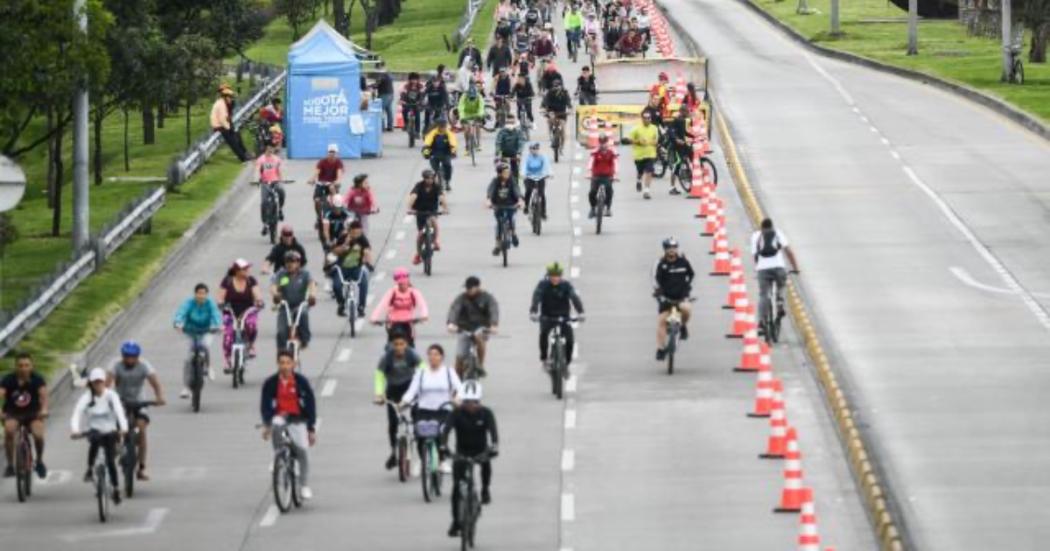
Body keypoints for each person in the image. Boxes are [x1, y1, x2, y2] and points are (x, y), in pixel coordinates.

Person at [442, 380, 499, 537]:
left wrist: (494, 446)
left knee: (486, 463)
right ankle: (455, 521)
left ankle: (485, 489)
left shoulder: (487, 413)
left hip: (480, 452)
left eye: (474, 402)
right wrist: (444, 447)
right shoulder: (456, 413)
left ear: (479, 400)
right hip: (461, 453)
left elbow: (493, 433)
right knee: (456, 489)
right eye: (467, 401)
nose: (471, 405)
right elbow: (446, 430)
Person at [260, 350, 318, 501]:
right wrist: (267, 425)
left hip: (298, 419)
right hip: (280, 417)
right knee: (276, 423)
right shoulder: (270, 383)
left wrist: (311, 429)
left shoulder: (302, 382)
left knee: (303, 452)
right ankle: (278, 456)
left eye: (288, 363)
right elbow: (265, 406)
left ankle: (304, 485)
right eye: (282, 363)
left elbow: (311, 405)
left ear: (294, 364)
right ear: (278, 364)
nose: (285, 366)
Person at [399, 344, 462, 476]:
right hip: (423, 410)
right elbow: (412, 391)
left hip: (444, 410)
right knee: (420, 435)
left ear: (441, 357)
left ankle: (442, 461)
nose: (433, 357)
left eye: (436, 354)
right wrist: (404, 401)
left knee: (440, 434)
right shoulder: (421, 373)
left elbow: (460, 389)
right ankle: (423, 461)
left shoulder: (448, 372)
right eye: (430, 354)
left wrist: (457, 399)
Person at [106, 342, 166, 480]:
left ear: (138, 357)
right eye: (127, 357)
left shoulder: (144, 365)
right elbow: (106, 384)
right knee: (114, 429)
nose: (130, 360)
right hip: (120, 401)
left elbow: (155, 383)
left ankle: (141, 468)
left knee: (141, 430)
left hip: (139, 401)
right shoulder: (115, 365)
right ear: (122, 356)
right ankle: (116, 447)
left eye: (133, 357)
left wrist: (159, 397)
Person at [70, 368, 127, 503]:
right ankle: (90, 469)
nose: (98, 385)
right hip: (94, 430)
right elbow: (77, 413)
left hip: (110, 431)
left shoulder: (111, 396)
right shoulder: (86, 397)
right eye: (95, 383)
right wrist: (75, 430)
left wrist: (123, 428)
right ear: (91, 383)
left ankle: (116, 488)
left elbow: (119, 412)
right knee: (94, 441)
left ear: (104, 382)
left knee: (110, 460)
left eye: (100, 382)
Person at [373, 331, 423, 469]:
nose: (399, 347)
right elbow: (379, 375)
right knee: (393, 423)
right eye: (396, 344)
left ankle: (421, 448)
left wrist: (422, 387)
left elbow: (422, 369)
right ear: (391, 345)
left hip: (409, 387)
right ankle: (394, 452)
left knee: (417, 418)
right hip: (393, 390)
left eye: (402, 344)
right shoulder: (386, 358)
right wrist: (379, 394)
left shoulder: (411, 354)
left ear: (406, 344)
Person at [1, 352, 48, 479]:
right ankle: (10, 465)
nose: (23, 368)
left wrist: (44, 410)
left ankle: (39, 461)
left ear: (32, 366)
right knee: (9, 431)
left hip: (33, 414)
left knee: (38, 435)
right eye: (20, 365)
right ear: (16, 367)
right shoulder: (8, 379)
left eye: (26, 365)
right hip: (13, 413)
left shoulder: (37, 379)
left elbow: (43, 396)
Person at [529, 263, 585, 370]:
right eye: (552, 275)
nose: (555, 278)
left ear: (561, 276)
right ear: (548, 275)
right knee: (543, 334)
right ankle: (544, 359)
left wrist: (580, 312)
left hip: (563, 316)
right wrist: (533, 312)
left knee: (570, 339)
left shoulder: (566, 285)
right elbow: (536, 297)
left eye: (557, 275)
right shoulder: (543, 285)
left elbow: (574, 298)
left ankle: (567, 360)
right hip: (547, 316)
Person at [173, 283, 222, 398]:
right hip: (190, 331)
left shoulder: (210, 304)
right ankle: (186, 388)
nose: (201, 296)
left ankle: (208, 367)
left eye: (204, 293)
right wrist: (178, 323)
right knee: (189, 358)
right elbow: (181, 313)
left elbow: (216, 315)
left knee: (204, 346)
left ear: (207, 294)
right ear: (195, 294)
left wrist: (218, 325)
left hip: (207, 331)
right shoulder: (189, 303)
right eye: (199, 293)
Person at [751, 218, 799, 329]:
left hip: (762, 270)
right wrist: (795, 268)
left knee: (763, 295)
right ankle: (780, 303)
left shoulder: (756, 236)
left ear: (761, 227)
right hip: (779, 267)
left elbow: (755, 255)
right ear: (772, 226)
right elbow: (788, 251)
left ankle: (762, 320)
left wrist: (758, 268)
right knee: (781, 286)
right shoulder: (778, 233)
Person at [447, 276, 500, 377]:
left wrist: (494, 324)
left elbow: (494, 310)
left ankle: (480, 365)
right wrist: (451, 323)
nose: (468, 290)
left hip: (482, 327)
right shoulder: (461, 298)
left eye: (470, 288)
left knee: (478, 337)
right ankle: (457, 384)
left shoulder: (487, 298)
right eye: (467, 288)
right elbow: (454, 309)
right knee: (459, 357)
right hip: (464, 328)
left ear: (478, 287)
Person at [217, 259, 264, 370]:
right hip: (230, 312)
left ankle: (250, 345)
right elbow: (220, 296)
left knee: (251, 325)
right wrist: (220, 303)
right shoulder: (227, 281)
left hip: (248, 311)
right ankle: (228, 361)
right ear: (237, 270)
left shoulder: (251, 281)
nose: (247, 270)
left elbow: (257, 294)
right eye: (244, 269)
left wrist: (259, 301)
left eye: (247, 268)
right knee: (228, 336)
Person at [652, 238, 695, 359]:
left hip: (682, 297)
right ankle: (660, 349)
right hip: (666, 298)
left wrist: (688, 290)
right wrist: (658, 293)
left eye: (675, 247)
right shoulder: (660, 263)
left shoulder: (684, 261)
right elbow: (654, 279)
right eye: (669, 248)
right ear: (665, 250)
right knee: (661, 322)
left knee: (686, 309)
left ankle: (682, 326)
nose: (672, 250)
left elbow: (692, 275)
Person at [271, 251, 317, 350]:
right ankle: (282, 352)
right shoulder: (281, 274)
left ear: (298, 263)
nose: (290, 264)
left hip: (300, 305)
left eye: (293, 261)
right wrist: (275, 295)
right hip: (285, 306)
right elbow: (274, 286)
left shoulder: (305, 274)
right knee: (281, 331)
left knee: (303, 315)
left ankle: (305, 339)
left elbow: (312, 284)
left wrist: (312, 295)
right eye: (287, 261)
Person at [371, 268, 430, 345]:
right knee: (389, 346)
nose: (402, 286)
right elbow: (382, 304)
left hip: (408, 321)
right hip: (394, 321)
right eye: (400, 284)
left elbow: (422, 304)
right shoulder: (392, 292)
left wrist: (424, 315)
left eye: (404, 283)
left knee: (411, 345)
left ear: (408, 282)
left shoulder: (413, 292)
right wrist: (374, 318)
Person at [328, 220, 372, 318]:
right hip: (342, 268)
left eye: (359, 232)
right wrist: (345, 245)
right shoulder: (343, 237)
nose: (356, 235)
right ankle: (341, 304)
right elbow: (335, 251)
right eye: (354, 233)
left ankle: (361, 306)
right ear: (350, 231)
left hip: (356, 267)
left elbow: (367, 250)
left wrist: (367, 261)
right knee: (337, 286)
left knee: (364, 283)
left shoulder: (362, 239)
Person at [408, 169, 450, 265]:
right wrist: (409, 208)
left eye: (432, 178)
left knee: (433, 220)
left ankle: (435, 241)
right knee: (420, 236)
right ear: (424, 179)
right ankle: (418, 255)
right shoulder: (419, 186)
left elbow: (441, 197)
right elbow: (413, 196)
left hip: (432, 211)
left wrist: (445, 208)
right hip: (420, 212)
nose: (430, 180)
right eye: (428, 179)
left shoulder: (436, 186)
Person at [486, 163, 524, 255]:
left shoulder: (511, 180)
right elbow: (490, 190)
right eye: (505, 172)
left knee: (511, 220)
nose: (507, 173)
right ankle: (498, 245)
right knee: (498, 224)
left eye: (508, 172)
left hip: (511, 204)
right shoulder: (495, 181)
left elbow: (516, 189)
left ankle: (513, 234)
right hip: (498, 205)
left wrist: (520, 200)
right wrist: (488, 200)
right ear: (499, 174)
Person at [209, 84, 250, 162]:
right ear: (225, 97)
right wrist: (229, 128)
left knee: (237, 135)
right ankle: (243, 158)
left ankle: (245, 153)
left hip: (224, 124)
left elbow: (227, 116)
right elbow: (222, 119)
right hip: (219, 126)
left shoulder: (223, 103)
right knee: (233, 141)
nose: (231, 99)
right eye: (229, 97)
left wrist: (230, 128)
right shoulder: (221, 104)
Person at [628, 110, 660, 199]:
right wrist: (638, 141)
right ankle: (638, 180)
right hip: (639, 155)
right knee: (640, 172)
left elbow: (656, 140)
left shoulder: (654, 128)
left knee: (649, 171)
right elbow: (629, 139)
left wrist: (654, 143)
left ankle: (646, 191)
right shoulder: (636, 129)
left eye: (649, 118)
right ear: (642, 119)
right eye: (645, 118)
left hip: (650, 154)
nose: (647, 120)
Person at [665, 105, 696, 195]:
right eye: (686, 112)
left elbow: (685, 132)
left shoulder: (683, 121)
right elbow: (671, 132)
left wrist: (694, 136)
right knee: (677, 165)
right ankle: (672, 187)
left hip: (683, 144)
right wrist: (676, 139)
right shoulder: (676, 120)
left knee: (692, 155)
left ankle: (690, 173)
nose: (688, 113)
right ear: (682, 112)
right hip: (675, 146)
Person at [255, 147, 285, 235]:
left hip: (275, 182)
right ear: (265, 150)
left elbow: (280, 170)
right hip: (265, 183)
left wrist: (281, 180)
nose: (270, 152)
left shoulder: (276, 159)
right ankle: (265, 224)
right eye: (268, 150)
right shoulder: (261, 159)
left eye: (272, 150)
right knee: (264, 202)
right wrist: (256, 179)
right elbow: (257, 170)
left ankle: (280, 209)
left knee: (282, 192)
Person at [311, 144, 345, 222]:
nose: (332, 154)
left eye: (334, 152)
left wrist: (338, 181)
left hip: (332, 183)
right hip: (321, 183)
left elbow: (339, 173)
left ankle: (334, 209)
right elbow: (317, 172)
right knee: (317, 200)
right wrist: (312, 179)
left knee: (332, 189)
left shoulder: (338, 162)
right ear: (327, 152)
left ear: (337, 153)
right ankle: (319, 217)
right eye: (330, 152)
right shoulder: (322, 161)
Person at [588, 132, 619, 217]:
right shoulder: (595, 151)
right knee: (592, 192)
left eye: (604, 142)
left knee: (609, 190)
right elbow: (591, 161)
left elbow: (615, 162)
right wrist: (589, 172)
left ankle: (608, 208)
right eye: (601, 142)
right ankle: (593, 208)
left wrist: (616, 174)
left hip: (608, 176)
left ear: (607, 142)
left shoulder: (611, 151)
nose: (603, 144)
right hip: (596, 175)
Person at [423, 118, 457, 190]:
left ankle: (447, 182)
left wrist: (453, 151)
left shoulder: (448, 133)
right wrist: (426, 153)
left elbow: (453, 142)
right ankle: (436, 178)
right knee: (435, 169)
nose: (443, 128)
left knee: (448, 166)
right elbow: (427, 143)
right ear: (438, 126)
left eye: (444, 126)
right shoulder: (432, 133)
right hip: (434, 153)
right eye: (441, 127)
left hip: (446, 153)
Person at [523, 142, 552, 219]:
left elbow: (547, 166)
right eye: (532, 149)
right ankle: (526, 206)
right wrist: (523, 174)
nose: (534, 150)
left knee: (542, 194)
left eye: (536, 149)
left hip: (540, 177)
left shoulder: (542, 157)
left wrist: (549, 174)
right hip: (530, 177)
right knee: (528, 191)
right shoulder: (527, 158)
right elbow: (523, 167)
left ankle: (543, 212)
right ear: (530, 150)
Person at [542, 79, 572, 149]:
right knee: (550, 120)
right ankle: (551, 135)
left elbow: (568, 101)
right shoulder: (549, 92)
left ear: (561, 86)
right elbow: (545, 101)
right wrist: (543, 108)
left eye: (558, 86)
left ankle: (562, 145)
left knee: (563, 127)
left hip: (562, 112)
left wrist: (570, 108)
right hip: (552, 111)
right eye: (555, 86)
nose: (556, 87)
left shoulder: (565, 92)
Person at [495, 115, 527, 179]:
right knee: (501, 169)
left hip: (515, 154)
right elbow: (498, 142)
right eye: (508, 123)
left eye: (512, 123)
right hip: (504, 153)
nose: (510, 125)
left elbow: (521, 142)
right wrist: (498, 152)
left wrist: (519, 153)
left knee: (515, 169)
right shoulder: (502, 131)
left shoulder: (518, 131)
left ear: (515, 123)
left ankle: (515, 183)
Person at [458, 86, 486, 152]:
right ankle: (467, 144)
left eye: (473, 97)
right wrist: (462, 117)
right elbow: (461, 107)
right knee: (466, 128)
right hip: (466, 114)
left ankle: (479, 143)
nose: (472, 98)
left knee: (478, 126)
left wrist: (480, 115)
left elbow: (481, 107)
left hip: (476, 114)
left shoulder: (479, 96)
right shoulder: (463, 96)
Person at [400, 72, 426, 137]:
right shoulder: (406, 86)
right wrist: (402, 100)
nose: (414, 81)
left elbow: (422, 95)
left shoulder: (420, 86)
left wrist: (420, 101)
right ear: (410, 80)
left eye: (415, 79)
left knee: (417, 115)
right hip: (408, 103)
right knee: (404, 111)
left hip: (416, 103)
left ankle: (417, 131)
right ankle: (406, 124)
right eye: (412, 79)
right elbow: (403, 94)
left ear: (418, 80)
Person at [375, 67, 395, 132]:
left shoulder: (381, 76)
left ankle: (382, 127)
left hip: (383, 94)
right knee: (389, 110)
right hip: (391, 94)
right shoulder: (389, 74)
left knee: (381, 110)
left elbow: (377, 85)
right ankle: (390, 126)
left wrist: (370, 86)